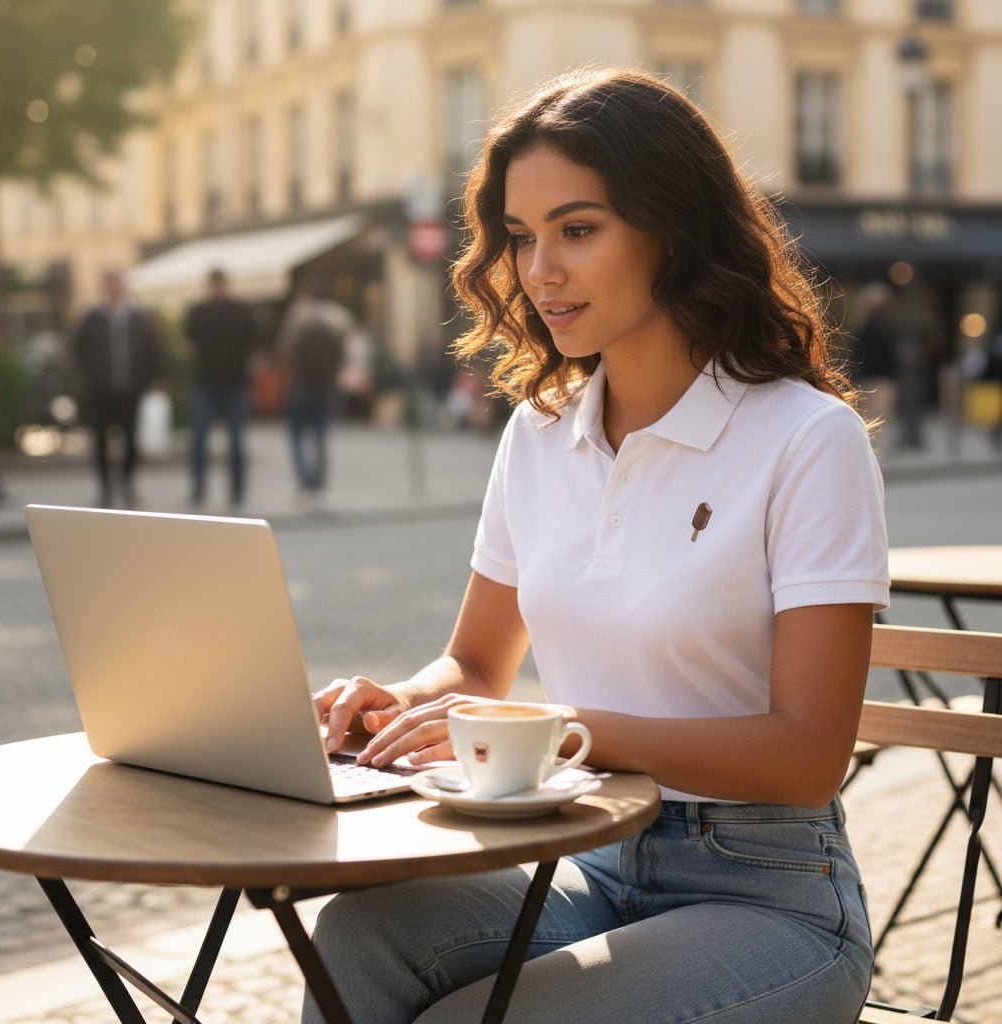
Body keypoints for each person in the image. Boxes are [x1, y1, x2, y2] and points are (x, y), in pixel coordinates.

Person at [306, 67, 889, 1024]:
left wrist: (568, 729)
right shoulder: (538, 434)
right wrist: (398, 704)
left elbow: (808, 756)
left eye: (578, 230)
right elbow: (477, 662)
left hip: (769, 892)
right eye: (523, 238)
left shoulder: (805, 438)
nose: (540, 271)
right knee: (356, 944)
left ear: (676, 228)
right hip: (585, 861)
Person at [72, 269, 164, 508]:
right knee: (100, 440)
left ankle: (127, 482)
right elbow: (78, 350)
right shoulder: (92, 318)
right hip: (100, 391)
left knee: (131, 439)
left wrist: (152, 378)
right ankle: (105, 488)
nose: (114, 289)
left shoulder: (136, 317)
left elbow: (150, 349)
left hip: (130, 389)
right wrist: (89, 377)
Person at [183, 268, 260, 507]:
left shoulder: (240, 311)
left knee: (236, 440)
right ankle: (198, 488)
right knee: (198, 440)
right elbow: (189, 344)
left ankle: (237, 489)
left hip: (235, 383)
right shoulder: (199, 312)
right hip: (206, 383)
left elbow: (254, 343)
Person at [276, 290, 352, 499]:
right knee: (320, 435)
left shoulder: (297, 319)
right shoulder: (336, 320)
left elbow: (285, 351)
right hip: (326, 385)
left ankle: (304, 482)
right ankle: (318, 483)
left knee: (297, 435)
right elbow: (344, 354)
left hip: (302, 384)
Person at [850, 282, 899, 437]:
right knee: (869, 425)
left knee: (878, 425)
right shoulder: (864, 328)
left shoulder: (886, 329)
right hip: (868, 380)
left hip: (881, 380)